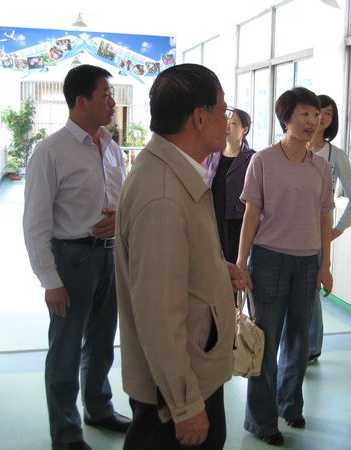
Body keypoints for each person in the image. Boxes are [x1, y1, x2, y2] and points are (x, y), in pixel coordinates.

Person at [115, 63, 246, 450]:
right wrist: (186, 404)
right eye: (223, 109)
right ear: (200, 118)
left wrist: (215, 268)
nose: (227, 120)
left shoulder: (175, 171)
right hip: (174, 395)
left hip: (190, 372)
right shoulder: (162, 195)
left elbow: (173, 262)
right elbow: (157, 313)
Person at [23, 64, 130, 450]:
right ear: (81, 102)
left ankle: (98, 408)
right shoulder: (50, 152)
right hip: (71, 261)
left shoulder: (112, 149)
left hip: (110, 257)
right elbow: (35, 223)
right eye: (106, 94)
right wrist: (50, 280)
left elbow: (121, 200)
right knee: (66, 350)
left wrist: (119, 218)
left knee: (102, 343)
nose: (112, 102)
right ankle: (66, 433)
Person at [236, 87, 335, 446]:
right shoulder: (263, 161)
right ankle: (261, 420)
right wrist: (241, 261)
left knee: (299, 340)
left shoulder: (322, 167)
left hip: (307, 262)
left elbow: (324, 218)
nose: (312, 121)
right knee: (265, 340)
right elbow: (251, 214)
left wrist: (325, 266)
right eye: (304, 114)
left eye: (316, 114)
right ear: (286, 119)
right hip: (268, 259)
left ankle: (289, 403)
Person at [306, 94, 351, 362]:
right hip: (287, 231)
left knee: (311, 291)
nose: (321, 118)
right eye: (317, 111)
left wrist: (338, 229)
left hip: (318, 233)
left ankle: (311, 347)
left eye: (328, 113)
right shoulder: (290, 148)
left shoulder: (335, 155)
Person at [204, 108, 255, 263]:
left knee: (234, 266)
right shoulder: (213, 154)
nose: (227, 126)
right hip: (212, 219)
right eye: (226, 122)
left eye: (232, 123)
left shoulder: (251, 158)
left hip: (237, 223)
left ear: (244, 130)